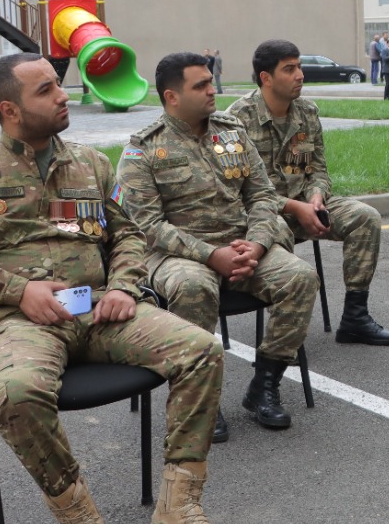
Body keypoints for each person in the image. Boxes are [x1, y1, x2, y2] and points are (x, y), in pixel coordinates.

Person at [0, 53, 234, 524]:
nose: (63, 95)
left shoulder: (92, 164)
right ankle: (82, 523)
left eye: (58, 84)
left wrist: (123, 287)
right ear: (10, 110)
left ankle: (179, 510)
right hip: (17, 322)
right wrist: (17, 291)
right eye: (45, 90)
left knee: (202, 350)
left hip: (99, 310)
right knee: (16, 392)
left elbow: (130, 235)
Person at [116, 52, 321, 437]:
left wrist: (256, 245)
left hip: (241, 245)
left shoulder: (232, 132)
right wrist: (212, 255)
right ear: (172, 97)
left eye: (211, 81)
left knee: (300, 278)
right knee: (193, 286)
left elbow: (261, 196)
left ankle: (264, 385)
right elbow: (147, 226)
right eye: (201, 85)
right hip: (178, 254)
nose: (213, 90)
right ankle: (199, 400)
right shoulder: (143, 149)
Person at [233, 38, 389, 346]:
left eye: (299, 67)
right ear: (266, 78)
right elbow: (240, 191)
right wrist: (295, 208)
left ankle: (355, 318)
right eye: (289, 69)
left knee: (365, 217)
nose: (300, 75)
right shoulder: (237, 119)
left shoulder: (306, 113)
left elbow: (317, 170)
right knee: (277, 228)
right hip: (261, 214)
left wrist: (315, 197)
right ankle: (283, 335)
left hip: (306, 205)